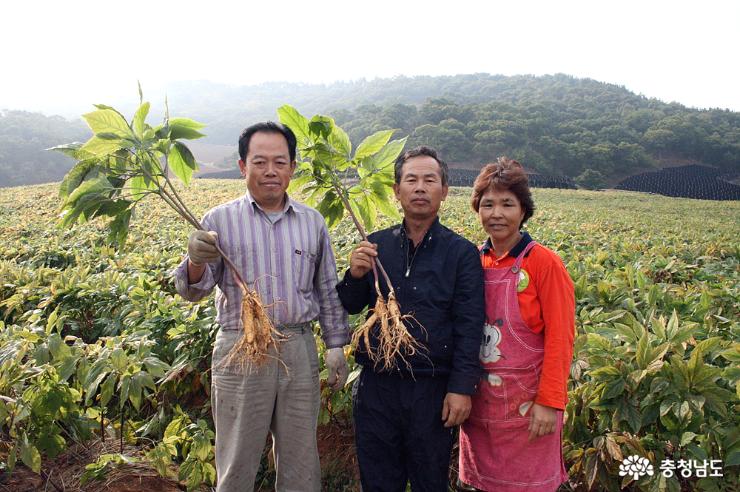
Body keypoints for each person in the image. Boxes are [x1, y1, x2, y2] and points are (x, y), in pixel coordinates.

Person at [173, 122, 350, 492]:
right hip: (241, 348)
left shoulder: (312, 222)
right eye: (260, 162)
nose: (271, 171)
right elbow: (195, 290)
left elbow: (328, 290)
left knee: (301, 464)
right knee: (237, 461)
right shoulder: (219, 220)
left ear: (292, 168)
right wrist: (194, 261)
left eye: (279, 162)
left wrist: (335, 345)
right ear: (242, 166)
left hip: (298, 348)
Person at [336, 146, 484, 491]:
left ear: (444, 191)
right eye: (411, 180)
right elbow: (352, 304)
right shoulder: (375, 245)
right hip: (376, 386)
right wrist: (355, 275)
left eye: (429, 180)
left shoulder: (460, 253)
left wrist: (461, 388)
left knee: (429, 481)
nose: (420, 188)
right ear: (396, 190)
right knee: (378, 481)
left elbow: (469, 324)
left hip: (431, 389)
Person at [458, 157, 575, 491]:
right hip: (480, 408)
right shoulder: (473, 261)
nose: (497, 213)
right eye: (488, 204)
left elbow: (560, 339)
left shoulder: (544, 263)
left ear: (523, 210)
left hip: (530, 410)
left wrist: (550, 402)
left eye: (507, 203)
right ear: (477, 208)